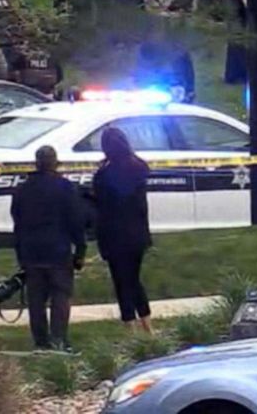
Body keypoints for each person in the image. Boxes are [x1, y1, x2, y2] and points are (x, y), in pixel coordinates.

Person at [10, 145, 86, 352]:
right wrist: (80, 251)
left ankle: (41, 342)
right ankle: (59, 340)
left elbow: (17, 223)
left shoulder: (22, 190)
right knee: (61, 295)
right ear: (55, 162)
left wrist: (20, 254)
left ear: (36, 163)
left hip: (31, 251)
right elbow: (76, 222)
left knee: (36, 299)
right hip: (58, 250)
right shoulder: (65, 188)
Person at [93, 128, 153, 334]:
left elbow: (101, 207)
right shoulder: (139, 168)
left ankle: (131, 328)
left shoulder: (103, 175)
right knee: (134, 279)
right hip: (137, 234)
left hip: (114, 235)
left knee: (121, 281)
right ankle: (148, 326)